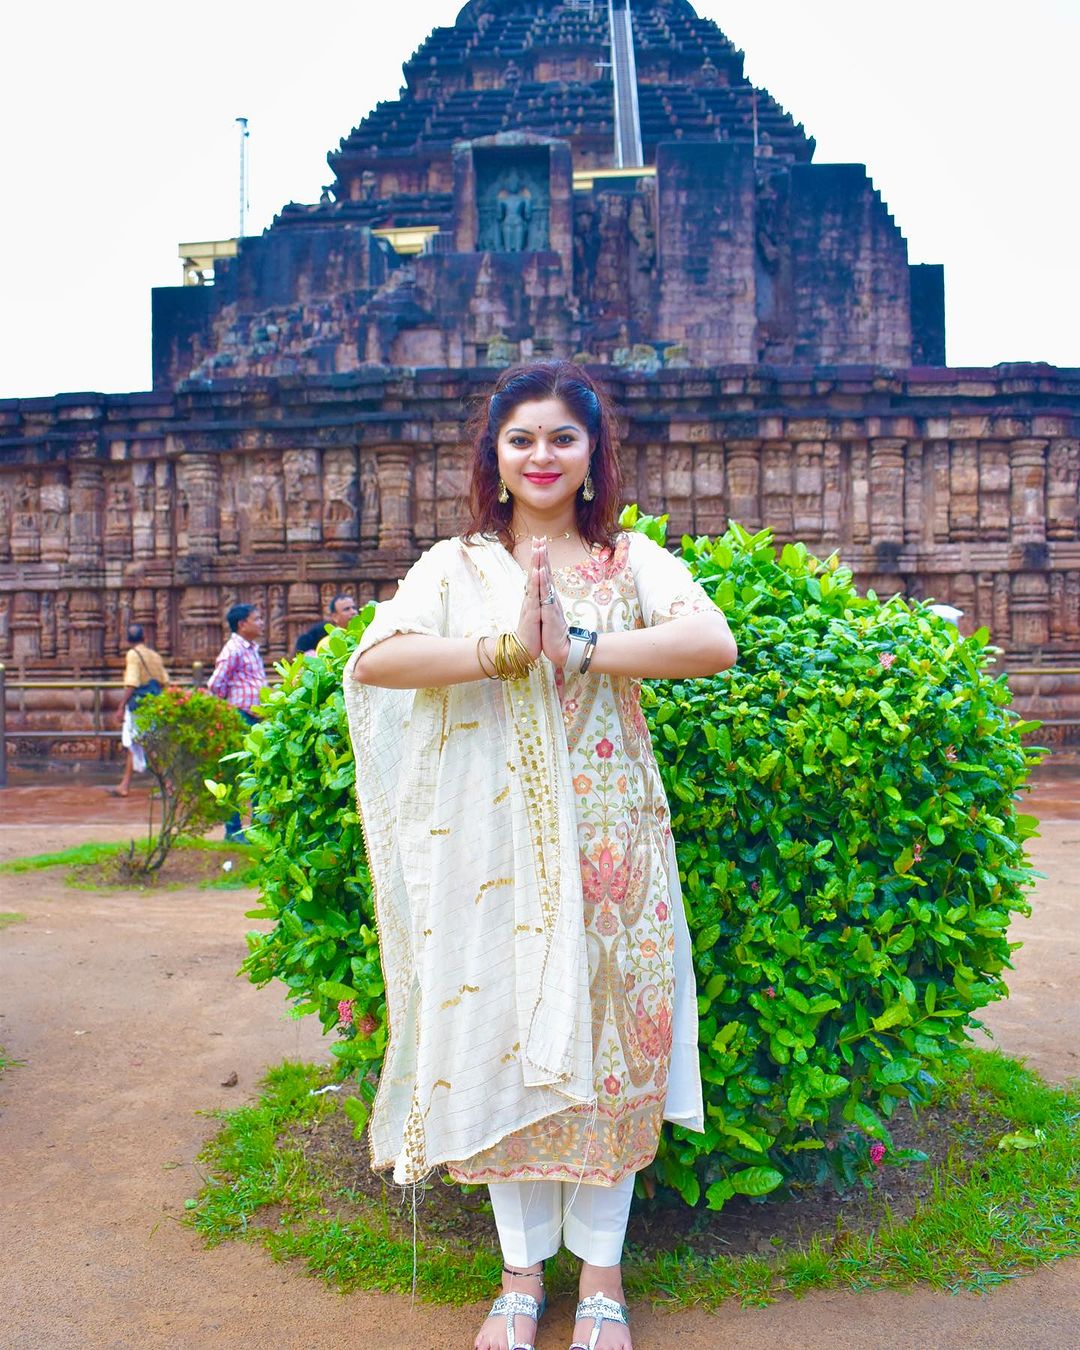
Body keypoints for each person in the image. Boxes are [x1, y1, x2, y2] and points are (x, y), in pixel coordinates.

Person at [343, 361, 737, 1350]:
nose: (543, 455)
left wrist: (584, 646)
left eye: (562, 436)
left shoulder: (630, 558)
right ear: (497, 456)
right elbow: (379, 662)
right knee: (504, 1041)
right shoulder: (456, 566)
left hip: (612, 847)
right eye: (522, 438)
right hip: (491, 854)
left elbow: (712, 643)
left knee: (613, 1048)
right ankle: (520, 1278)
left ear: (593, 454)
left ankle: (601, 1277)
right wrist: (503, 652)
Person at [207, 603, 266, 842]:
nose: (261, 622)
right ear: (243, 624)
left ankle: (261, 828)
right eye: (257, 618)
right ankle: (233, 831)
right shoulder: (233, 649)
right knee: (238, 773)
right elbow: (215, 684)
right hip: (241, 716)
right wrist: (230, 709)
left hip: (254, 716)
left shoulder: (251, 648)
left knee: (257, 770)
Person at [109, 624, 169, 798]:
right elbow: (164, 681)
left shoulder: (133, 655)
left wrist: (121, 706)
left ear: (128, 641)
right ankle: (124, 785)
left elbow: (132, 683)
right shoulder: (155, 656)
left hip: (139, 707)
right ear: (145, 638)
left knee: (147, 744)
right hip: (154, 704)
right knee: (136, 744)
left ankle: (167, 785)